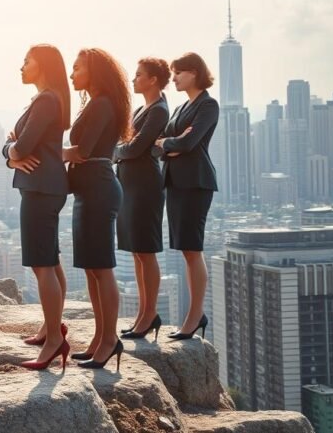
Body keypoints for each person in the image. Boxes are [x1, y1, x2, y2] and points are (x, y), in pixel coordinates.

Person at [3, 44, 71, 371]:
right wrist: (11, 151)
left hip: (41, 187)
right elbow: (14, 146)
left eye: (26, 60)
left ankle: (56, 341)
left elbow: (22, 145)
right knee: (50, 261)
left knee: (41, 264)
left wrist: (12, 150)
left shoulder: (47, 100)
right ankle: (51, 328)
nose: (21, 66)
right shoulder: (48, 98)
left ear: (41, 65)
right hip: (45, 185)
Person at [63, 48, 132, 371]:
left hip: (100, 190)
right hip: (87, 191)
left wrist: (46, 151)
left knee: (102, 268)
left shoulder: (103, 103)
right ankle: (99, 336)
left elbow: (84, 150)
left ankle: (109, 340)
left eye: (77, 68)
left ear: (95, 71)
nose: (72, 74)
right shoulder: (95, 103)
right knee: (91, 269)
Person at [154, 52, 219, 340]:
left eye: (178, 72)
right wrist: (172, 144)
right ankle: (195, 316)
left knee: (193, 249)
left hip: (195, 183)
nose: (174, 78)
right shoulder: (181, 108)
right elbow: (164, 145)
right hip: (175, 183)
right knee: (185, 249)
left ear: (194, 72)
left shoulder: (208, 105)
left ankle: (195, 316)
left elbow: (190, 142)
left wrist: (171, 143)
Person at [115, 58, 171, 341]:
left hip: (145, 186)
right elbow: (126, 143)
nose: (133, 80)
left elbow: (135, 147)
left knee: (146, 251)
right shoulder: (142, 109)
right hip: (129, 184)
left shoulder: (159, 110)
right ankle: (143, 313)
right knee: (137, 250)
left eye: (138, 75)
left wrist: (117, 151)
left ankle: (150, 314)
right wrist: (122, 149)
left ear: (153, 80)